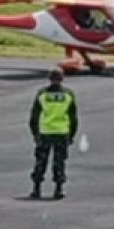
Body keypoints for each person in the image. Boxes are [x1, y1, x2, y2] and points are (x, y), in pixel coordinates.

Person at [28, 67, 78, 201]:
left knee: (40, 161)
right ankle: (58, 189)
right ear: (62, 79)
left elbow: (34, 117)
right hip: (61, 132)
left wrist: (35, 134)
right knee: (59, 162)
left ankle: (36, 188)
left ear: (49, 78)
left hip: (45, 132)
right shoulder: (68, 95)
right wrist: (72, 135)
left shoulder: (42, 94)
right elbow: (73, 118)